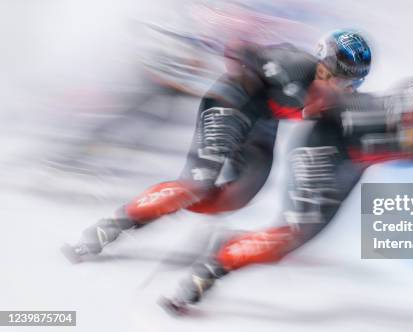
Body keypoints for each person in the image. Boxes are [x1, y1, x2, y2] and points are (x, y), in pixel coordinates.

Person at [62, 29, 374, 262]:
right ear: (317, 64)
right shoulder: (292, 63)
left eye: (346, 83)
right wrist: (246, 72)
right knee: (196, 185)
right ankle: (110, 226)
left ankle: (154, 209)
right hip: (231, 104)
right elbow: (243, 50)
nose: (334, 86)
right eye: (328, 75)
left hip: (262, 124)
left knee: (236, 198)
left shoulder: (340, 100)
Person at [160, 67, 413, 314]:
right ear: (401, 115)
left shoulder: (398, 131)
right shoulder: (365, 115)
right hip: (322, 153)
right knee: (292, 234)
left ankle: (227, 248)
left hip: (345, 164)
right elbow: (335, 107)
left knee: (300, 237)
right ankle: (209, 270)